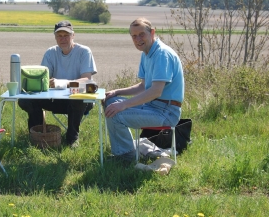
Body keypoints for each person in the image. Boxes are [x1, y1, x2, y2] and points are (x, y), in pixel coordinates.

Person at [104, 17, 184, 161]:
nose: (138, 39)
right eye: (134, 36)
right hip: (153, 106)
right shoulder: (147, 53)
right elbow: (143, 86)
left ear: (152, 32)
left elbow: (155, 91)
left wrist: (124, 105)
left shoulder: (162, 54)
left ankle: (125, 156)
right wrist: (117, 92)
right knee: (111, 101)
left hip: (166, 112)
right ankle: (127, 148)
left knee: (115, 114)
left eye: (142, 34)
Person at [18, 20, 97, 147]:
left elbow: (87, 80)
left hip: (78, 100)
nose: (63, 39)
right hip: (55, 99)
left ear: (73, 35)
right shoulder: (50, 52)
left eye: (66, 35)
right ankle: (37, 135)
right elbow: (43, 78)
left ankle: (72, 138)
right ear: (55, 38)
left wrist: (62, 83)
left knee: (78, 98)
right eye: (59, 36)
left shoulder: (84, 51)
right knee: (25, 100)